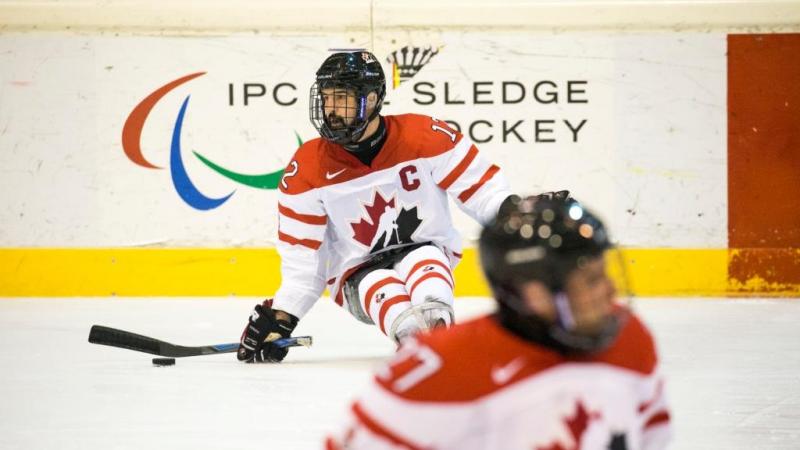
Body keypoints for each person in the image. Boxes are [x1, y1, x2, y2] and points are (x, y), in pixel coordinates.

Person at [237, 50, 528, 362]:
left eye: (342, 97)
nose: (331, 109)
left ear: (372, 99)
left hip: (426, 251)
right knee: (382, 285)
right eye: (326, 97)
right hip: (358, 275)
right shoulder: (306, 168)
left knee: (425, 263)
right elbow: (303, 262)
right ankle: (422, 347)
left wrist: (520, 214)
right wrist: (281, 318)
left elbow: (482, 190)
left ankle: (436, 346)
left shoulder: (425, 137)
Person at [325, 196, 672, 449]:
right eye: (590, 280)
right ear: (533, 292)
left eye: (604, 274)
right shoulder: (433, 371)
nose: (609, 291)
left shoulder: (631, 341)